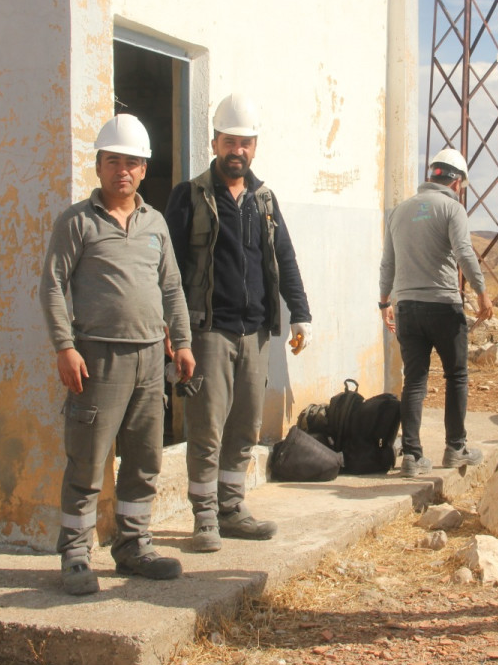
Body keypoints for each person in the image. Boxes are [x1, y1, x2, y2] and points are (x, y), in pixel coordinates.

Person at [39, 113, 196, 596]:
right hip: (97, 359)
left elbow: (171, 286)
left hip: (151, 358)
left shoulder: (156, 223)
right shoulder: (77, 222)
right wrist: (65, 347)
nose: (121, 171)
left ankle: (132, 545)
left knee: (145, 457)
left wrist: (183, 342)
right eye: (112, 162)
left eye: (131, 162)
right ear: (99, 166)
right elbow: (51, 286)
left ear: (144, 169)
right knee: (87, 460)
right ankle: (75, 554)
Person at [165, 93, 312, 553]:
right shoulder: (189, 196)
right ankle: (204, 517)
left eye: (246, 143)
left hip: (255, 332)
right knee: (206, 427)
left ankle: (232, 508)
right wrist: (171, 328)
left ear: (255, 147)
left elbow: (284, 257)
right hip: (208, 331)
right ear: (214, 143)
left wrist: (300, 313)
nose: (238, 151)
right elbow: (166, 266)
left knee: (246, 425)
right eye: (231, 142)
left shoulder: (263, 200)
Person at [378, 148, 494, 477]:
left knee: (414, 379)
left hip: (408, 309)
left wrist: (384, 303)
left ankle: (412, 455)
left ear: (432, 175)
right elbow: (464, 254)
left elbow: (388, 262)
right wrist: (482, 292)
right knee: (456, 376)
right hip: (443, 306)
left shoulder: (398, 212)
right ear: (456, 182)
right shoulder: (452, 208)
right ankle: (455, 448)